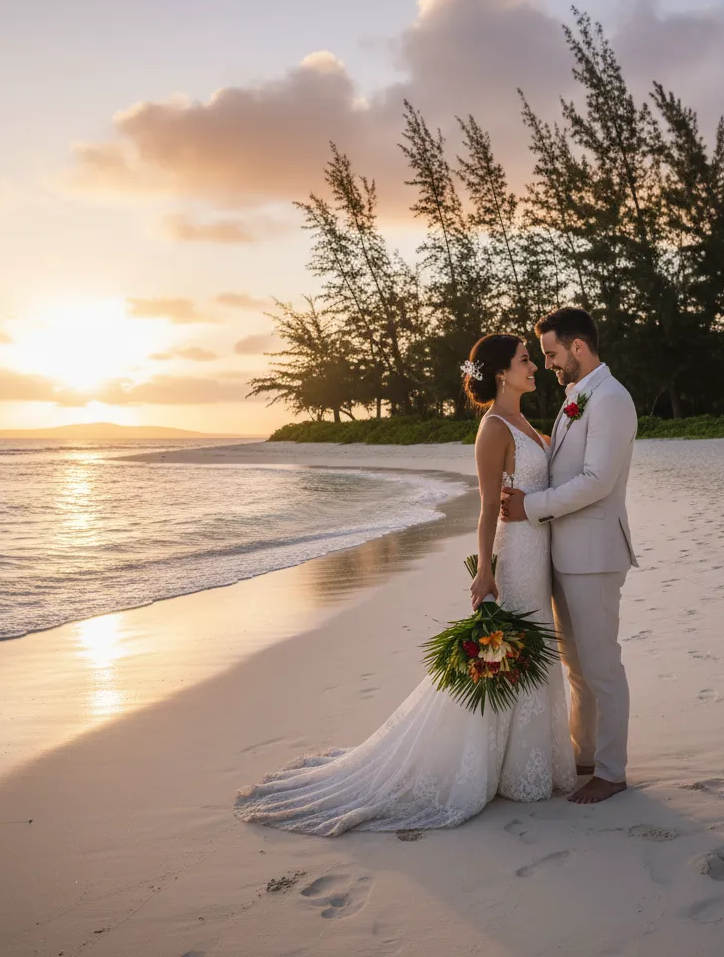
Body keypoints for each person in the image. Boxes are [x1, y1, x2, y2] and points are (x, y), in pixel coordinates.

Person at [233, 334, 575, 835]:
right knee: (508, 659)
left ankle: (525, 764)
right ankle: (495, 769)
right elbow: (486, 508)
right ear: (502, 372)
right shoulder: (493, 429)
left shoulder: (526, 421)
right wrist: (485, 570)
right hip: (515, 555)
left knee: (531, 651)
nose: (534, 367)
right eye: (525, 360)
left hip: (537, 554)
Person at [500, 307, 638, 804]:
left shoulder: (611, 399)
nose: (548, 364)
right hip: (564, 555)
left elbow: (597, 481)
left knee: (602, 667)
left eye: (552, 353)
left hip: (595, 556)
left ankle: (612, 771)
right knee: (578, 669)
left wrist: (531, 507)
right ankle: (586, 755)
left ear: (578, 346)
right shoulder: (576, 397)